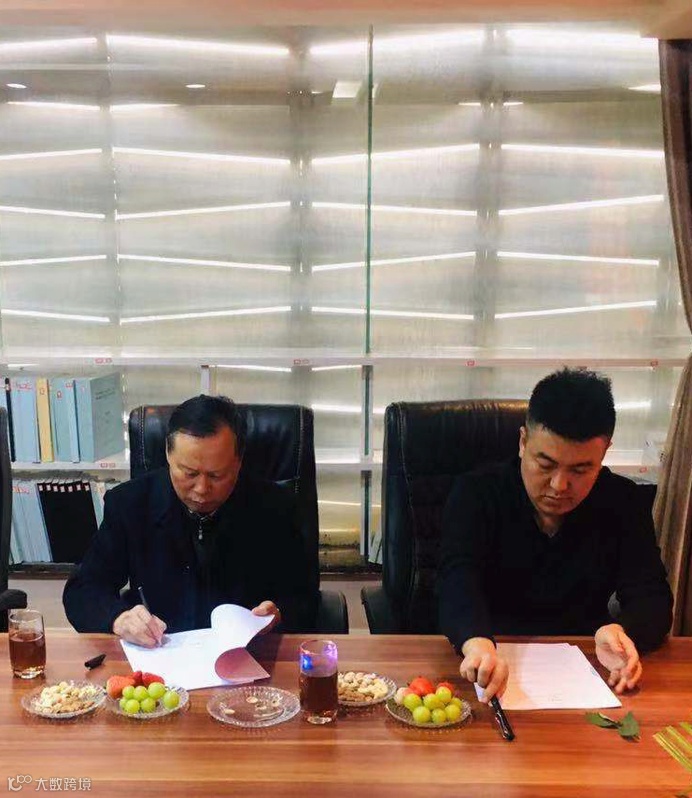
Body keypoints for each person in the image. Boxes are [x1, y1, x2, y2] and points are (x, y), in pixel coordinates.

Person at [438, 368, 673, 702]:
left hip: (585, 673)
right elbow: (456, 580)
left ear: (604, 453)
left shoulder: (623, 502)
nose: (559, 485)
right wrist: (476, 643)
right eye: (545, 465)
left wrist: (622, 631)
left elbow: (653, 598)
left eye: (580, 469)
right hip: (487, 658)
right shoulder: (476, 494)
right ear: (523, 442)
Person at [63, 395, 318, 646]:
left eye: (216, 475)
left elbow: (305, 597)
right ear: (168, 454)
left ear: (238, 462)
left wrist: (278, 613)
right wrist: (118, 618)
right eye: (189, 473)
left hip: (247, 656)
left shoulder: (276, 507)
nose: (202, 489)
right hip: (160, 655)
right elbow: (83, 590)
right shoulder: (129, 504)